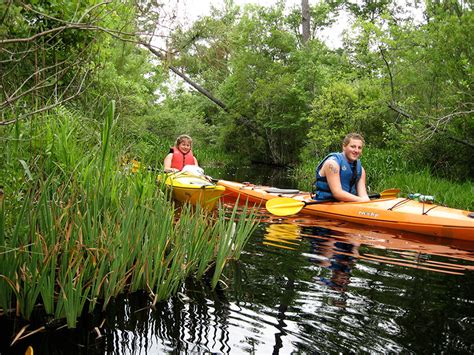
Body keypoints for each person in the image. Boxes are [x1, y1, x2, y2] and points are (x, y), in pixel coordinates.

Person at [314, 133, 369, 202]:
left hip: (346, 205)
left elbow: (363, 195)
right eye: (353, 147)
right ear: (344, 146)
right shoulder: (332, 164)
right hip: (325, 203)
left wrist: (370, 204)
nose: (356, 151)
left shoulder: (361, 169)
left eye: (359, 148)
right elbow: (337, 193)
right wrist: (361, 200)